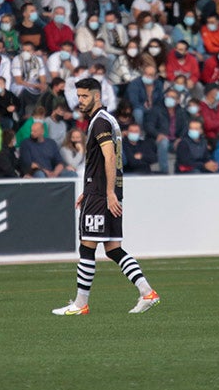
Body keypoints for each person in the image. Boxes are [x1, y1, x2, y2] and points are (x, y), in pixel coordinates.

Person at [52, 77, 160, 316]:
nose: (80, 101)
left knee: (87, 248)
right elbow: (102, 162)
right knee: (113, 249)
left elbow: (109, 157)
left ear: (97, 96)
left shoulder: (100, 122)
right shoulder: (109, 120)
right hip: (103, 191)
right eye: (78, 96)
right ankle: (147, 292)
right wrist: (89, 190)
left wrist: (106, 192)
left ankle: (81, 304)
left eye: (84, 96)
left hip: (102, 195)